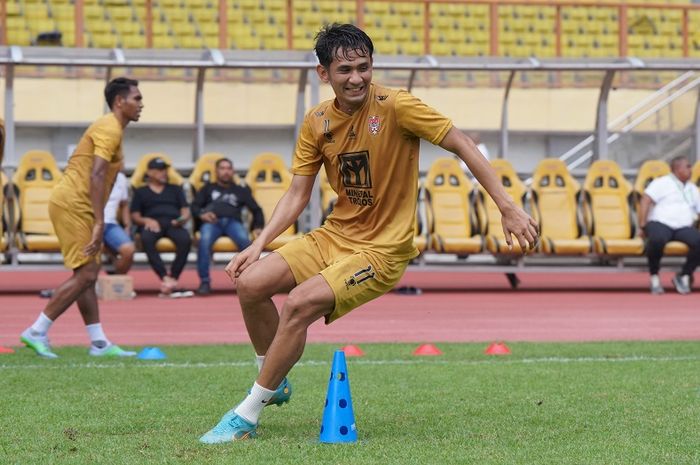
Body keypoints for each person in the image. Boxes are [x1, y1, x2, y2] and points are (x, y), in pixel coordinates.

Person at [199, 24, 538, 443]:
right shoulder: (317, 121)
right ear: (324, 74)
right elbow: (297, 193)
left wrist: (507, 206)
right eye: (345, 70)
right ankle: (274, 372)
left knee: (300, 304)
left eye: (364, 67)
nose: (357, 77)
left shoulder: (398, 106)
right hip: (333, 235)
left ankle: (246, 415)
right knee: (250, 284)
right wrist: (258, 244)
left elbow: (463, 143)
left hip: (381, 251)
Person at [20, 77, 142, 359]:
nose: (141, 104)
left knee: (86, 274)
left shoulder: (114, 129)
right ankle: (36, 331)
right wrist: (100, 222)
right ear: (119, 102)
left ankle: (98, 342)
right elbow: (96, 174)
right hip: (74, 204)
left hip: (79, 205)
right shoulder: (109, 127)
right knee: (87, 274)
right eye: (136, 98)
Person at [191, 157, 264, 296]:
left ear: (233, 171)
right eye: (222, 168)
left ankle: (251, 280)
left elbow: (257, 210)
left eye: (228, 169)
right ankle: (205, 282)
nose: (226, 172)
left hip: (233, 222)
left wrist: (258, 226)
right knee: (204, 241)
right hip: (212, 223)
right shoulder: (207, 189)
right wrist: (202, 215)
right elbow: (194, 207)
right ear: (216, 171)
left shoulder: (240, 190)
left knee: (246, 242)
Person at [638, 155, 700, 295]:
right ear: (677, 169)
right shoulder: (662, 183)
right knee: (657, 240)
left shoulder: (692, 188)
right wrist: (642, 225)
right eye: (688, 167)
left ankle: (684, 275)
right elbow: (645, 200)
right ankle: (654, 276)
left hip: (683, 227)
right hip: (661, 223)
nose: (691, 170)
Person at [130, 157, 191, 295]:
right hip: (152, 224)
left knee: (185, 239)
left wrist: (182, 219)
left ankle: (173, 277)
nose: (163, 173)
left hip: (173, 223)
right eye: (159, 170)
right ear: (150, 172)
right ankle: (164, 276)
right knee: (146, 239)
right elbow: (135, 215)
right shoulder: (141, 191)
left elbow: (185, 211)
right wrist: (146, 221)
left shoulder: (175, 189)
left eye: (165, 170)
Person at [103, 163, 135, 274]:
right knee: (92, 253)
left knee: (129, 250)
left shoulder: (121, 178)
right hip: (89, 224)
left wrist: (127, 225)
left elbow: (124, 204)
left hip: (111, 225)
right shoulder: (89, 176)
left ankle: (115, 284)